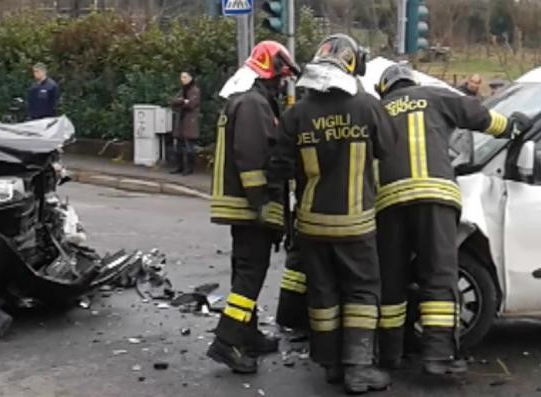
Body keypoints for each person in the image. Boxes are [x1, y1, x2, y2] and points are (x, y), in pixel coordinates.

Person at [372, 63, 518, 375]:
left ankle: (389, 356)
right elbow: (482, 118)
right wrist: (511, 126)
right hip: (436, 200)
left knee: (392, 281)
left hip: (390, 203)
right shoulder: (435, 96)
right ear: (409, 81)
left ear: (385, 88)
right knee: (438, 274)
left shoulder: (377, 109)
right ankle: (437, 357)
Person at [270, 34, 396, 394]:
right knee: (361, 292)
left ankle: (331, 366)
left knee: (322, 295)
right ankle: (359, 369)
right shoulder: (367, 106)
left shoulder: (297, 113)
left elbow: (278, 167)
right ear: (352, 63)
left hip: (311, 225)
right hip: (356, 224)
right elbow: (388, 148)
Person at [205, 40, 301, 374]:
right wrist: (263, 204)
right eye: (281, 76)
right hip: (250, 208)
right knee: (249, 276)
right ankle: (227, 342)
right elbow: (250, 157)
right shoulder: (253, 103)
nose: (282, 83)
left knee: (246, 271)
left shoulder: (245, 98)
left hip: (243, 207)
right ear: (269, 68)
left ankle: (248, 332)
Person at [170, 71, 201, 175]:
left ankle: (189, 168)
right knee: (178, 147)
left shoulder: (195, 90)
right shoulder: (181, 90)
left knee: (189, 148)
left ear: (190, 78)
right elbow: (173, 102)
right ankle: (179, 166)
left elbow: (191, 104)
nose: (182, 79)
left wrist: (182, 103)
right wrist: (183, 101)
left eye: (184, 77)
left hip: (189, 122)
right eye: (181, 77)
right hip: (180, 121)